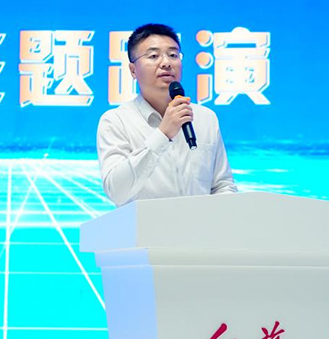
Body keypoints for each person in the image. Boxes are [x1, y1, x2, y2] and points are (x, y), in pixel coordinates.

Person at [96, 23, 237, 206]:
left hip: (201, 224)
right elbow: (116, 191)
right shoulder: (115, 121)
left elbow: (222, 185)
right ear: (133, 70)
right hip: (143, 225)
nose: (166, 63)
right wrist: (162, 135)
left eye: (173, 55)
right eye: (154, 56)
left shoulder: (206, 118)